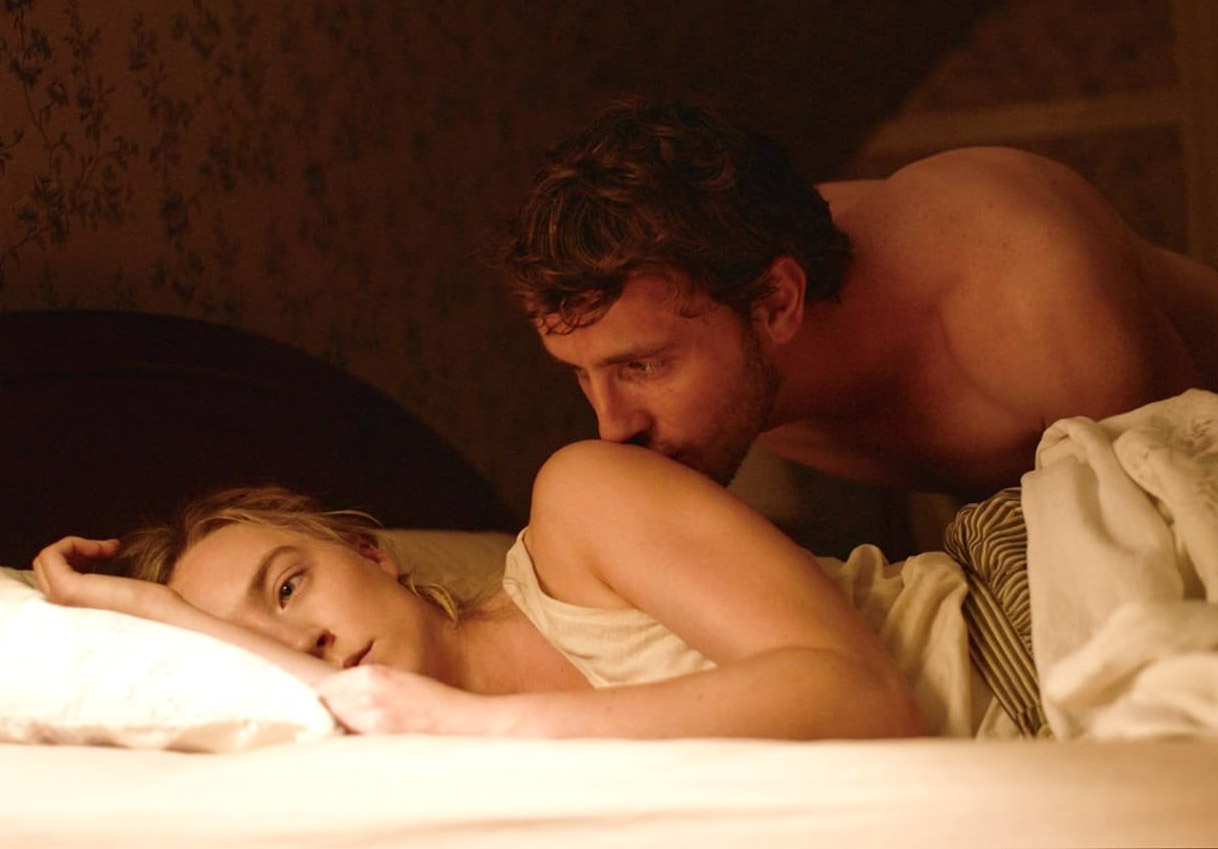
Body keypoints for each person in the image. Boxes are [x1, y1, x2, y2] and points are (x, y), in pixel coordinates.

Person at [500, 98, 1218, 504]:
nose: (612, 427)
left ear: (778, 302)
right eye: (581, 373)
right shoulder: (720, 317)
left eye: (642, 366)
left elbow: (1190, 537)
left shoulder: (1027, 297)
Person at [31, 440, 924, 741]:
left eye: (291, 585)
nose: (303, 641)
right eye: (257, 640)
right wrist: (142, 607)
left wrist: (472, 719)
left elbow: (864, 695)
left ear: (370, 554)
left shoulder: (580, 504)